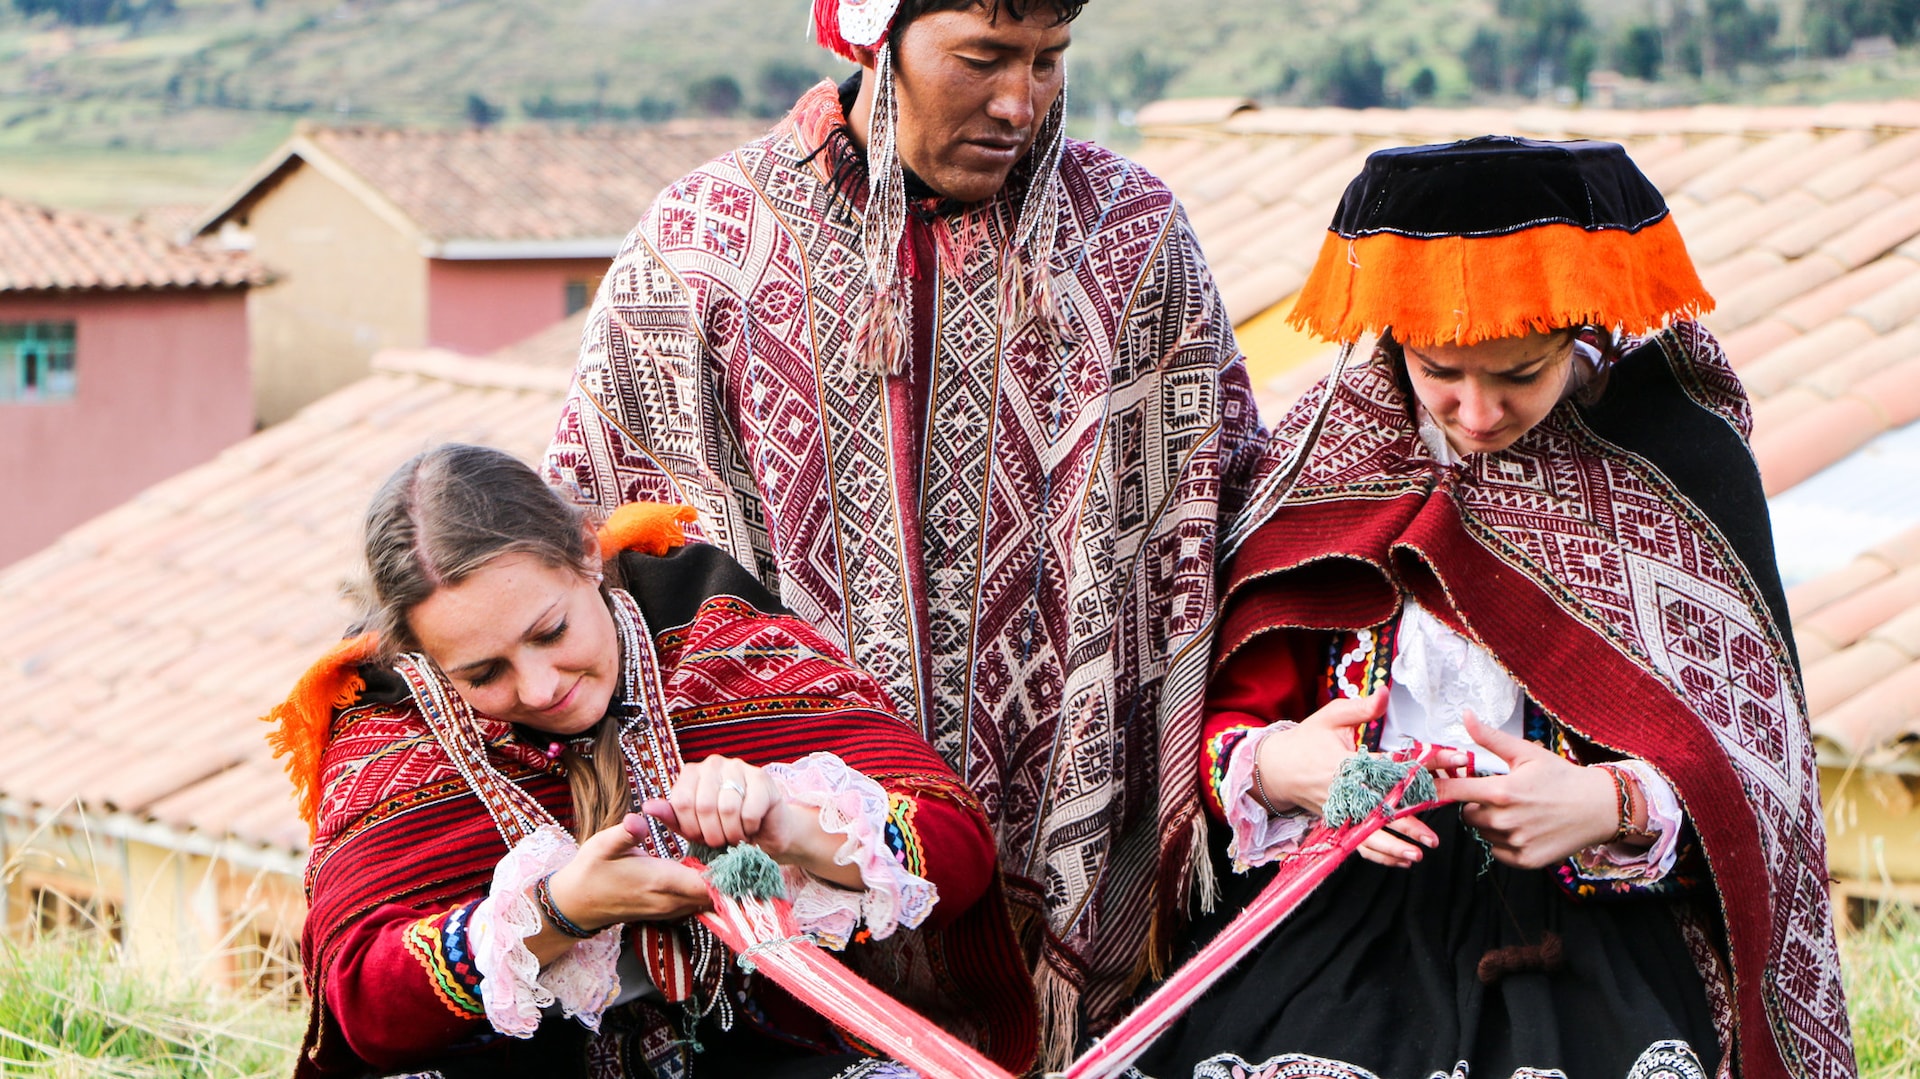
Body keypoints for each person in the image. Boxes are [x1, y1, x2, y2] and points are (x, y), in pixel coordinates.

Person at [543, 0, 1264, 1056]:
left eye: (1049, 61)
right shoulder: (704, 246)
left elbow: (1222, 501)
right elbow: (599, 552)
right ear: (877, 41)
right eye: (982, 59)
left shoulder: (1131, 236)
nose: (1021, 101)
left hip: (1070, 824)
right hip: (782, 874)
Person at [1135, 139, 1855, 1079]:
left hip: (1598, 925)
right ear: (1394, 339)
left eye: (1520, 373)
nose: (1477, 413)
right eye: (1442, 371)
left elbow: (1758, 773)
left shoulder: (1678, 475)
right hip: (1340, 913)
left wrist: (1610, 801)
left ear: (1583, 331)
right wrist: (1285, 765)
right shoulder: (1323, 476)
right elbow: (1227, 715)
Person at [267, 443, 1035, 1079]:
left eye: (550, 630)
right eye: (482, 674)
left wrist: (786, 820)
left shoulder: (718, 637)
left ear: (585, 556)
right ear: (424, 657)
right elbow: (365, 1006)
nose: (539, 687)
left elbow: (956, 849)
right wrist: (557, 912)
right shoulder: (392, 732)